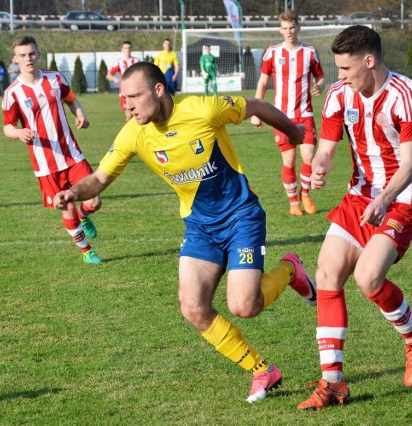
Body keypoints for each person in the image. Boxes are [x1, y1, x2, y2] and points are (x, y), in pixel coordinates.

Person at [53, 62, 318, 402]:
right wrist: (75, 192)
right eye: (124, 98)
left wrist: (294, 132)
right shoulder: (133, 133)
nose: (128, 105)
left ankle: (291, 269)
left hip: (241, 217)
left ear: (159, 90)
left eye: (134, 96)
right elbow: (100, 179)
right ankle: (262, 370)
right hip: (199, 227)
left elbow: (256, 105)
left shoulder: (203, 110)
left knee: (244, 306)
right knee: (192, 307)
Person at [297, 25, 412, 411]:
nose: (340, 76)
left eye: (346, 68)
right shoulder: (338, 95)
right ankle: (333, 383)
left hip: (407, 193)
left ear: (369, 60)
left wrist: (385, 199)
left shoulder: (407, 95)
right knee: (327, 272)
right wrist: (319, 166)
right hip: (361, 192)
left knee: (367, 277)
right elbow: (328, 148)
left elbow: (411, 163)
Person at [2, 35, 103, 264]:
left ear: (38, 54)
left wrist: (80, 113)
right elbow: (7, 126)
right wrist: (19, 133)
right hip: (45, 163)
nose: (28, 58)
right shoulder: (13, 93)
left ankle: (84, 215)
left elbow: (71, 100)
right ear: (15, 58)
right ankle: (87, 251)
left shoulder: (55, 78)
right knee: (66, 206)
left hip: (72, 154)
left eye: (31, 53)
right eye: (23, 55)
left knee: (95, 200)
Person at [251, 10, 326, 216]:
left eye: (292, 27)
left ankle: (305, 194)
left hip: (305, 113)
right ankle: (294, 203)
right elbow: (263, 81)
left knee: (309, 157)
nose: (289, 32)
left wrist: (320, 85)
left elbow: (321, 77)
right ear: (280, 30)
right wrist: (256, 111)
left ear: (298, 27)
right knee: (290, 160)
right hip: (281, 116)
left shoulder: (310, 52)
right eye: (285, 28)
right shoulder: (273, 53)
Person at [106, 40, 141, 122]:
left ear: (131, 49)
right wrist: (114, 79)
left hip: (136, 91)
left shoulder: (137, 61)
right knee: (129, 115)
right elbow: (108, 75)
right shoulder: (119, 62)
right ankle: (129, 134)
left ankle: (135, 133)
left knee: (135, 115)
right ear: (122, 50)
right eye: (125, 48)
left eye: (129, 48)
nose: (127, 50)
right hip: (124, 92)